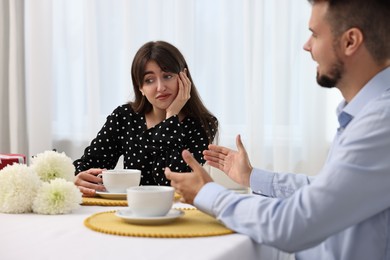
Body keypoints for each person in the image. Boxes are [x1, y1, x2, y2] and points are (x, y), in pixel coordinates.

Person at [165, 0, 390, 259]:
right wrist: (251, 177)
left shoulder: (380, 122)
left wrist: (209, 194)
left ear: (350, 41)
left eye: (315, 34)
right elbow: (326, 191)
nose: (307, 46)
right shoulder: (365, 114)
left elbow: (293, 225)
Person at [74, 41, 218, 197]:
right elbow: (89, 166)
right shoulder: (125, 117)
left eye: (167, 76)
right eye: (149, 80)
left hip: (179, 210)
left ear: (184, 78)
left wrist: (171, 117)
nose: (160, 87)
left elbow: (172, 183)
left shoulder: (203, 124)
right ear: (140, 87)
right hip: (128, 209)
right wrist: (79, 178)